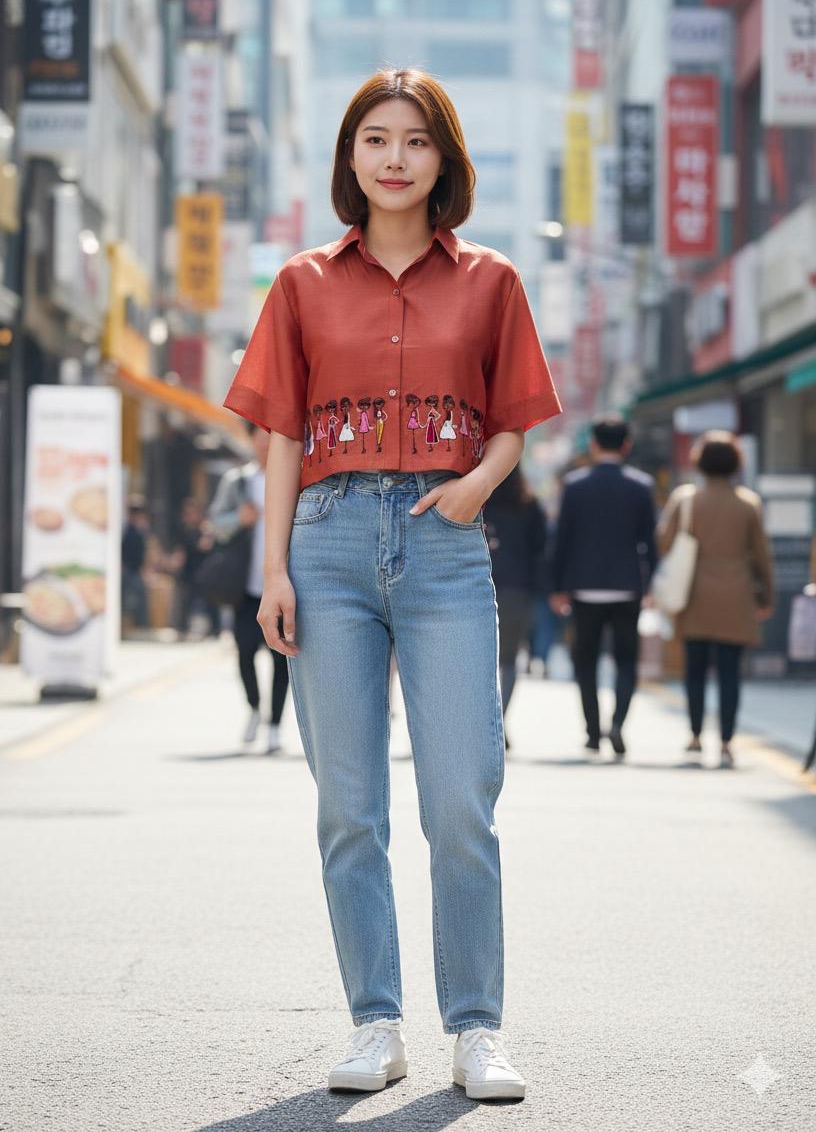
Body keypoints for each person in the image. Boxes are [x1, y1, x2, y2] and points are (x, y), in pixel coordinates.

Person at [222, 68, 561, 1101]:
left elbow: (512, 419)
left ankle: (476, 1026)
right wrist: (273, 566)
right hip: (325, 543)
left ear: (445, 160)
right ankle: (376, 1020)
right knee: (350, 803)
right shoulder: (302, 282)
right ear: (351, 156)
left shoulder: (492, 279)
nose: (396, 157)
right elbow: (280, 433)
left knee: (462, 796)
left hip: (445, 542)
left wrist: (475, 488)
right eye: (376, 138)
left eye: (417, 141)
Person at [656, 431, 774, 769]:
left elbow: (664, 542)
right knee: (729, 673)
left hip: (694, 595)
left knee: (694, 670)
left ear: (700, 462)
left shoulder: (686, 498)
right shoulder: (748, 503)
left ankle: (695, 735)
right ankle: (726, 742)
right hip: (736, 597)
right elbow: (761, 556)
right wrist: (766, 595)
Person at [550, 414, 657, 758]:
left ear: (593, 445)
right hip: (627, 586)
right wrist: (651, 584)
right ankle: (618, 724)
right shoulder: (641, 485)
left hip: (584, 586)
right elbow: (650, 543)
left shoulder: (575, 485)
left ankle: (593, 732)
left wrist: (558, 586)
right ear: (626, 445)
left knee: (586, 661)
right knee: (626, 660)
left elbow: (562, 540)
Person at [208, 426, 289, 754]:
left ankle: (274, 728)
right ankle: (255, 708)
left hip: (282, 586)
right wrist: (239, 519)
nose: (267, 440)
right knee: (243, 653)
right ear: (252, 439)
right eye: (261, 434)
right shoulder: (238, 482)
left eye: (272, 433)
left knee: (282, 658)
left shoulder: (292, 479)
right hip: (245, 587)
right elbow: (215, 523)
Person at [483, 466, 547, 749]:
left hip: (478, 583)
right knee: (508, 660)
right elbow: (542, 549)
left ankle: (477, 722)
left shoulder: (479, 498)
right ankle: (498, 721)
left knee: (474, 658)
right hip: (517, 589)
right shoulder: (529, 504)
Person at [171, 498, 221, 639]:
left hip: (205, 571)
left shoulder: (204, 529)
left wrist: (207, 532)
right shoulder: (183, 530)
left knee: (210, 602)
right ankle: (181, 628)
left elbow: (206, 545)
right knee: (185, 601)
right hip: (188, 572)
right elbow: (179, 551)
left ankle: (215, 630)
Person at [121, 496, 151, 632]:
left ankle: (141, 625)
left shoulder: (138, 529)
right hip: (127, 569)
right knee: (131, 597)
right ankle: (138, 625)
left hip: (135, 569)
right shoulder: (126, 530)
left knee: (139, 597)